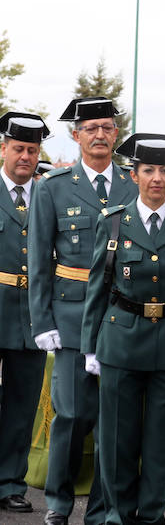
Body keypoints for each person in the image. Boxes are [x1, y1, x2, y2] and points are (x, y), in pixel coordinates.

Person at [29, 96, 137, 525]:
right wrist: (42, 321)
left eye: (107, 127)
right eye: (90, 128)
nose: (99, 134)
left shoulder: (134, 184)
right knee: (72, 416)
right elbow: (38, 259)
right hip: (72, 315)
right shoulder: (53, 187)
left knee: (113, 420)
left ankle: (103, 507)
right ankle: (57, 501)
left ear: (116, 134)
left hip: (120, 315)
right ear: (76, 136)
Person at [81, 134, 165, 524]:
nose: (158, 178)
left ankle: (152, 516)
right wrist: (89, 347)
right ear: (134, 175)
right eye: (149, 170)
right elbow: (98, 286)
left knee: (162, 442)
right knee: (115, 442)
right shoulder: (113, 221)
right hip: (120, 341)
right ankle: (117, 516)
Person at [0, 112, 51, 515]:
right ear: (3, 149)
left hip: (31, 313)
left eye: (32, 151)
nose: (25, 157)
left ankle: (10, 482)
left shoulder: (48, 195)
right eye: (18, 148)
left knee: (22, 403)